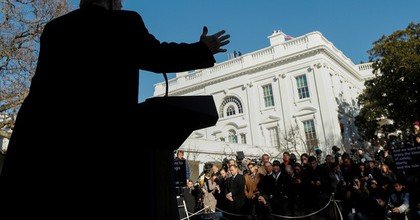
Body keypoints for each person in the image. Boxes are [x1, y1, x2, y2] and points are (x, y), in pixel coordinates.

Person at [0, 0, 229, 219]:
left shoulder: (54, 28)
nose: (121, 4)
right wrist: (202, 49)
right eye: (119, 1)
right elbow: (158, 56)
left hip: (44, 148)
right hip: (101, 151)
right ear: (110, 1)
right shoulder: (124, 23)